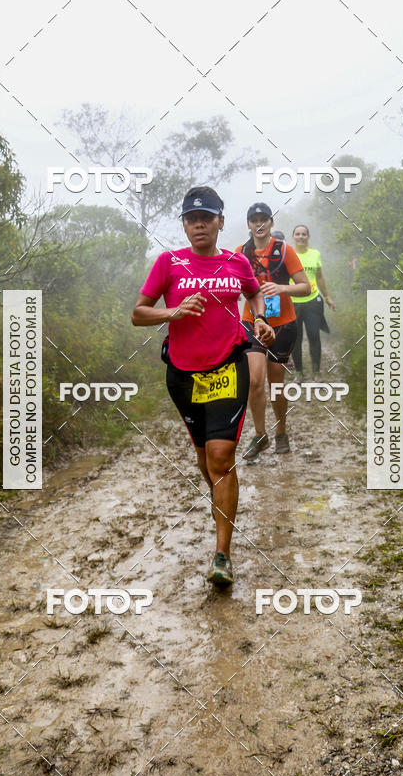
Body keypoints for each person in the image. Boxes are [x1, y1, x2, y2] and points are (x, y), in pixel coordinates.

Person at [131, 186, 275, 586]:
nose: (199, 224)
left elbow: (252, 294)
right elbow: (138, 314)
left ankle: (222, 554)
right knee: (205, 459)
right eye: (192, 219)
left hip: (229, 365)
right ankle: (220, 501)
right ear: (184, 224)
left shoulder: (236, 261)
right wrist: (173, 310)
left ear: (220, 222)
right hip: (183, 374)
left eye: (207, 218)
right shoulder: (168, 262)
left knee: (221, 456)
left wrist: (259, 319)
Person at [236, 203, 310, 460]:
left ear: (270, 223)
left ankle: (281, 430)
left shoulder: (284, 250)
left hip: (283, 323)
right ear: (248, 224)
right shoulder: (240, 253)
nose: (259, 223)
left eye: (263, 219)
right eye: (253, 219)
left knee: (275, 383)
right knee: (255, 381)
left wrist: (281, 289)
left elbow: (306, 287)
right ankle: (260, 435)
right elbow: (231, 288)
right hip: (252, 321)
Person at [291, 224, 336, 382]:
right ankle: (298, 372)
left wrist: (327, 296)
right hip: (293, 302)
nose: (301, 237)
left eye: (304, 234)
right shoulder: (288, 254)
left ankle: (316, 372)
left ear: (308, 236)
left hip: (313, 301)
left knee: (314, 335)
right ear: (293, 237)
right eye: (298, 234)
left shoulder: (315, 254)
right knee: (295, 338)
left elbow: (320, 277)